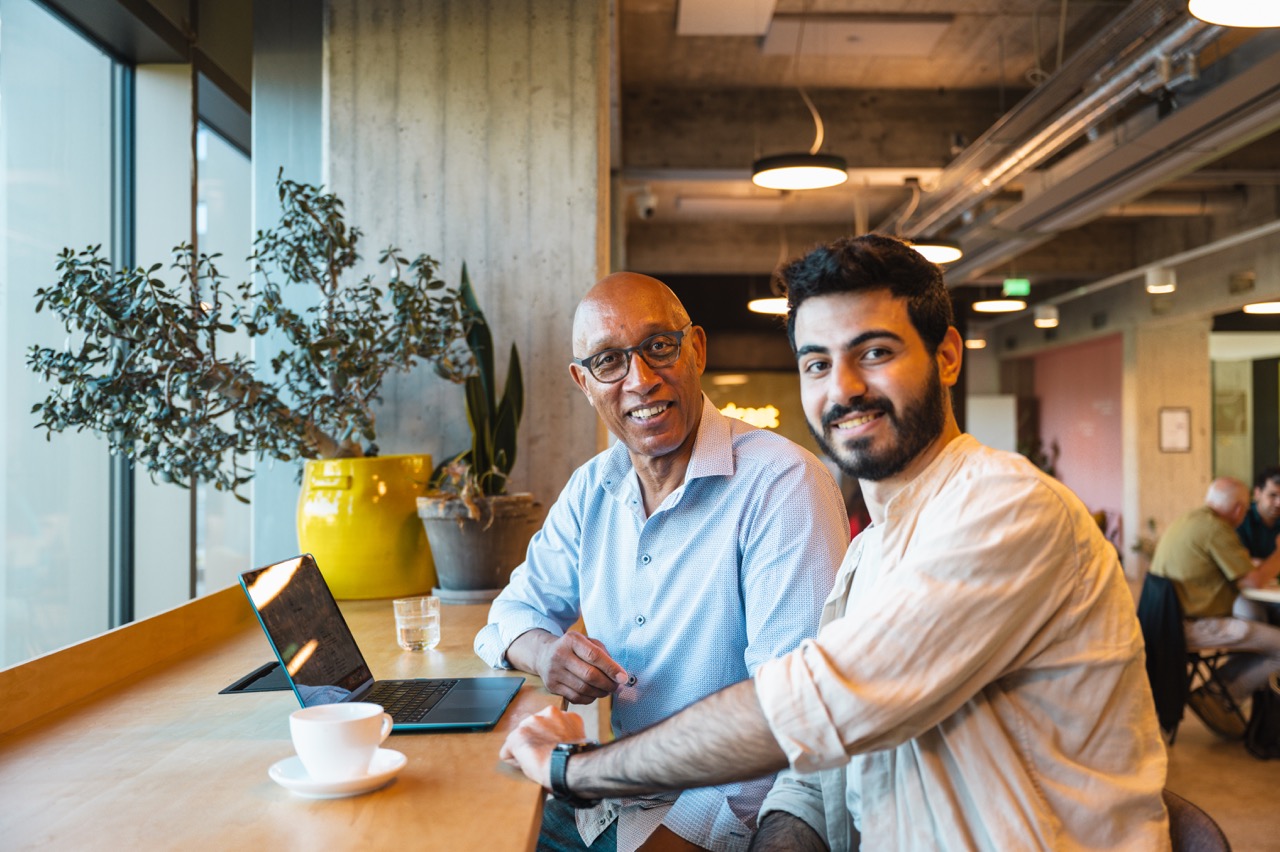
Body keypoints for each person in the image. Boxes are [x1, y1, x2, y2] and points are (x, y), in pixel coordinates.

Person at [499, 234, 1170, 851]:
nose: (844, 389)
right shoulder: (875, 553)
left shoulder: (1005, 509)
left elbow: (802, 710)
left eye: (874, 353)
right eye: (818, 363)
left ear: (946, 355)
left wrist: (577, 769)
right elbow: (814, 768)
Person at [475, 272, 849, 851]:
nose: (641, 381)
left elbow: (786, 722)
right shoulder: (593, 487)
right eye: (608, 362)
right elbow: (511, 611)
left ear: (695, 348)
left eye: (658, 347)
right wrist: (545, 652)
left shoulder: (782, 483)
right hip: (608, 798)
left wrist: (672, 839)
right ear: (584, 381)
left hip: (711, 818)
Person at [1149, 476, 1280, 733]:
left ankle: (1218, 691)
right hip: (1194, 624)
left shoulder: (1191, 520)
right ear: (1240, 509)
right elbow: (1253, 581)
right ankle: (1219, 695)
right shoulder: (1217, 529)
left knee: (1259, 630)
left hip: (1169, 621)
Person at [1236, 466, 1280, 560]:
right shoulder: (1239, 519)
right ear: (1257, 494)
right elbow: (1242, 566)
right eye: (1273, 495)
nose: (1278, 503)